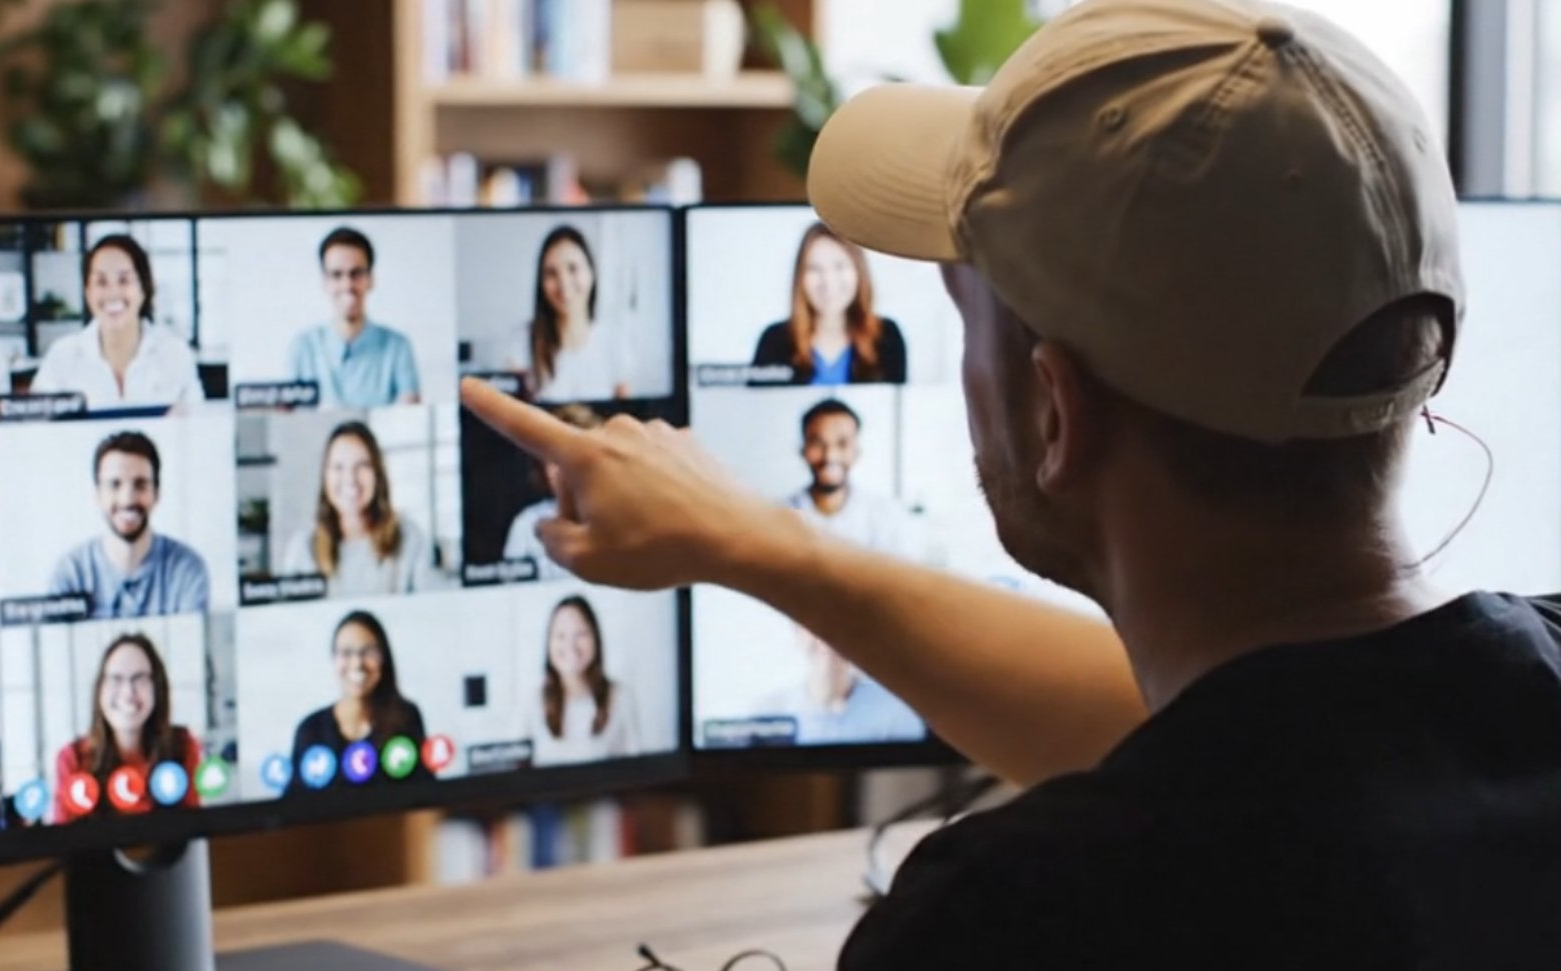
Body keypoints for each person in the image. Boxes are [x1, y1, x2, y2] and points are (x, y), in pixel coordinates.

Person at [460, 1, 1561, 966]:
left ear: (1053, 412)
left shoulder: (1016, 916)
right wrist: (762, 543)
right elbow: (1270, 741)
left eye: (961, 307)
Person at [29, 234, 204, 413]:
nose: (113, 293)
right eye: (101, 282)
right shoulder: (62, 357)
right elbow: (38, 425)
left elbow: (198, 422)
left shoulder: (175, 354)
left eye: (124, 280)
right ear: (87, 292)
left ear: (144, 288)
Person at [49, 431, 210, 618]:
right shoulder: (70, 573)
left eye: (140, 485)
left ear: (156, 493)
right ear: (97, 495)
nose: (127, 499)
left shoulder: (187, 570)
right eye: (114, 484)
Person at [52, 633, 203, 822]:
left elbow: (194, 828)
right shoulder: (72, 758)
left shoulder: (183, 746)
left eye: (139, 679)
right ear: (100, 688)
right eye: (116, 679)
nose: (128, 692)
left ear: (157, 688)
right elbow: (64, 837)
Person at [280, 421, 441, 596]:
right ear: (325, 476)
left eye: (362, 466)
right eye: (338, 467)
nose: (350, 479)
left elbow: (431, 606)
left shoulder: (410, 538)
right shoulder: (303, 547)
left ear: (378, 474)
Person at [748, 222, 907, 385]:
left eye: (839, 267)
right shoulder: (775, 341)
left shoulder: (886, 338)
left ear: (858, 271)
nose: (828, 282)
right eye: (814, 269)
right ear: (800, 277)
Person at [289, 611, 433, 787]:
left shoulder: (406, 718)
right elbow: (294, 802)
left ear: (383, 658)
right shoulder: (310, 730)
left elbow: (425, 794)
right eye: (346, 653)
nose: (357, 663)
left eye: (368, 652)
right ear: (334, 659)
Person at [287, 227, 422, 408]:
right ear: (325, 282)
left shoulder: (398, 347)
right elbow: (289, 416)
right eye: (336, 275)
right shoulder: (303, 348)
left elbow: (410, 414)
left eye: (356, 273)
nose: (347, 285)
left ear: (371, 279)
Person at [500, 226, 634, 403]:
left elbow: (626, 414)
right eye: (551, 273)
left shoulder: (614, 343)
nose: (563, 283)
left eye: (572, 268)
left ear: (591, 273)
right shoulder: (520, 343)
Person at [785, 399, 925, 559]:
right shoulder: (782, 516)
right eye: (818, 443)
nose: (830, 456)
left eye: (842, 444)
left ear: (856, 452)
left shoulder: (885, 516)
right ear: (803, 451)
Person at [751, 624, 922, 745]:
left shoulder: (896, 712)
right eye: (813, 623)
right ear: (797, 633)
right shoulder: (768, 711)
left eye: (838, 623)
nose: (826, 635)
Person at [525, 594, 640, 765]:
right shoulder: (532, 701)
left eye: (581, 634)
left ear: (596, 638)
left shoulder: (621, 696)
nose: (570, 645)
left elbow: (636, 767)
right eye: (560, 635)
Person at [503, 403, 604, 580]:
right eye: (553, 459)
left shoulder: (619, 520)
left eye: (573, 458)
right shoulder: (525, 525)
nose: (562, 470)